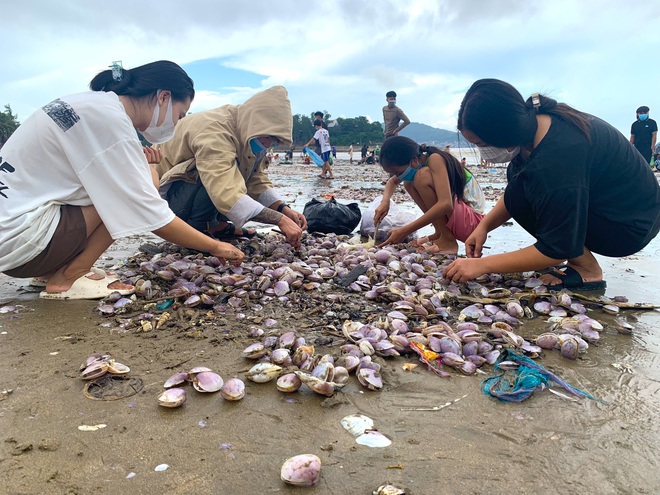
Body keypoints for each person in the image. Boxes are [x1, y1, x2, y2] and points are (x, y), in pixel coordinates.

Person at [0, 60, 244, 300]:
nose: (178, 123)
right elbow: (147, 210)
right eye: (180, 115)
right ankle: (69, 276)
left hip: (13, 240)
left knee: (137, 177)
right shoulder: (111, 122)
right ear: (163, 97)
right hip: (24, 245)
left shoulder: (90, 104)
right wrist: (213, 246)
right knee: (146, 181)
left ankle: (50, 272)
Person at [443, 78, 660, 291]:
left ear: (504, 132)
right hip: (615, 207)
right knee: (520, 187)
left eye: (482, 144)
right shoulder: (537, 124)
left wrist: (482, 265)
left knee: (536, 201)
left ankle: (587, 270)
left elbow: (556, 248)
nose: (484, 152)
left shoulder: (556, 160)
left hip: (627, 227)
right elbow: (516, 194)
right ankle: (574, 257)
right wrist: (483, 226)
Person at [157, 86, 307, 248]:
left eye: (275, 141)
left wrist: (283, 209)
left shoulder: (251, 135)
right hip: (168, 201)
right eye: (269, 137)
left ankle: (215, 224)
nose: (269, 144)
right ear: (256, 122)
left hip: (189, 194)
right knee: (213, 171)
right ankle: (199, 228)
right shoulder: (215, 131)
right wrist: (278, 220)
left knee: (239, 173)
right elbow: (224, 190)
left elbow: (255, 180)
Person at [374, 136, 485, 254]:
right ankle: (440, 233)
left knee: (421, 177)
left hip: (473, 225)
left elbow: (446, 204)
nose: (397, 176)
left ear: (414, 159)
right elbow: (392, 182)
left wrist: (405, 231)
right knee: (409, 183)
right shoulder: (420, 163)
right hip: (461, 219)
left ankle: (448, 241)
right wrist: (385, 202)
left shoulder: (435, 159)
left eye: (397, 172)